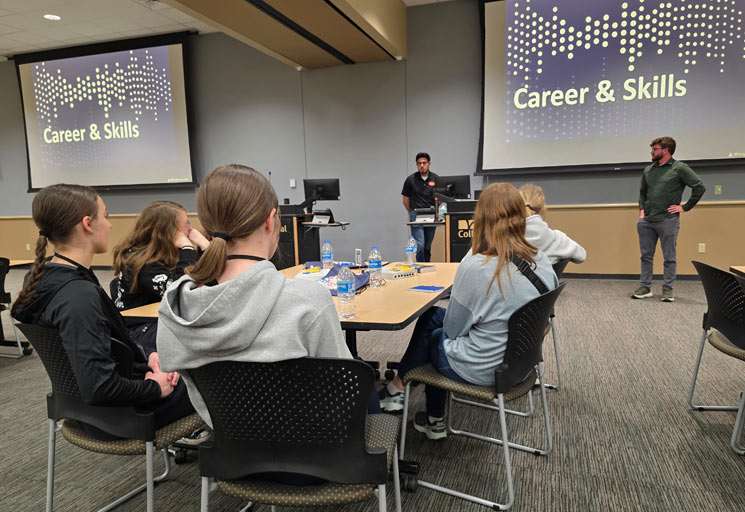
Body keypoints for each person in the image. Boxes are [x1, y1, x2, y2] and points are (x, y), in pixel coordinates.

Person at [156, 164, 354, 429]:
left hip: (233, 451)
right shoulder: (308, 300)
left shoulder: (176, 306)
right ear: (270, 220)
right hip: (311, 451)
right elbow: (344, 394)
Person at [11, 184, 194, 440]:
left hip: (93, 411)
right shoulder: (77, 297)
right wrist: (154, 387)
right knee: (218, 380)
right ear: (87, 224)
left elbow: (106, 346)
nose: (109, 224)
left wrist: (147, 356)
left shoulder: (46, 277)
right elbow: (100, 387)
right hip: (123, 416)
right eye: (105, 216)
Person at [380, 183, 558, 440]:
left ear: (481, 220)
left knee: (434, 336)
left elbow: (453, 331)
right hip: (521, 363)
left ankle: (431, 417)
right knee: (431, 317)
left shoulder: (477, 267)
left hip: (483, 368)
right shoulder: (540, 258)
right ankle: (399, 389)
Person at [111, 200, 210, 354]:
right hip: (140, 330)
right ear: (168, 232)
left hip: (162, 320)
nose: (190, 229)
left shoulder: (167, 253)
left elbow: (203, 279)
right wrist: (187, 248)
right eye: (186, 225)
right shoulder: (141, 261)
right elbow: (179, 292)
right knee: (202, 336)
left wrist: (206, 248)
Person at [632, 136, 705, 302]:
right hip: (646, 221)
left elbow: (699, 187)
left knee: (669, 257)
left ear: (666, 150)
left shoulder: (680, 168)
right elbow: (642, 192)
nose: (651, 152)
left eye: (655, 149)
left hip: (668, 220)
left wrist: (685, 207)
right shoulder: (648, 170)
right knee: (646, 256)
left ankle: (667, 289)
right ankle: (645, 287)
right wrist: (642, 211)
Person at [462, 183, 586, 265]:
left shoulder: (496, 238)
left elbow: (464, 265)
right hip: (537, 301)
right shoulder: (556, 239)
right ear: (543, 209)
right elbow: (581, 256)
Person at [402, 152, 440, 262]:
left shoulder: (436, 179)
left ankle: (426, 266)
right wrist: (412, 212)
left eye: (424, 163)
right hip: (416, 214)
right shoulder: (410, 180)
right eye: (419, 163)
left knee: (427, 246)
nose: (422, 166)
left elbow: (441, 199)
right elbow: (405, 200)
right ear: (416, 165)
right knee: (420, 244)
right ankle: (419, 266)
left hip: (431, 214)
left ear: (429, 163)